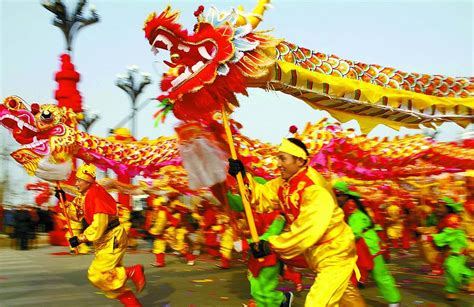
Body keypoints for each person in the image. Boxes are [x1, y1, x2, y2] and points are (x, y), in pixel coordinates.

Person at [229, 137, 362, 306]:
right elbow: (261, 197)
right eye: (278, 158)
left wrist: (269, 245)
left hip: (335, 251)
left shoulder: (314, 188)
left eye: (282, 158)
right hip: (315, 252)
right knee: (344, 295)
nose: (278, 163)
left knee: (317, 303)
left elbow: (307, 230)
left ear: (299, 161)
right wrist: (243, 177)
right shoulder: (285, 183)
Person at [55, 163, 146, 306]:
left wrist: (80, 239)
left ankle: (131, 272)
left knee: (98, 274)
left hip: (111, 237)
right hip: (104, 239)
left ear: (88, 181)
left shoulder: (97, 195)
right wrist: (64, 202)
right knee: (111, 280)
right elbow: (76, 214)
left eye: (79, 180)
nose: (76, 183)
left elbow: (99, 224)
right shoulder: (84, 195)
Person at [334, 181, 401, 306]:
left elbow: (355, 233)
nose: (336, 198)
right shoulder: (346, 209)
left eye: (338, 195)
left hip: (369, 246)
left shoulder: (352, 209)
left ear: (346, 196)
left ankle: (394, 301)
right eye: (335, 195)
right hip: (358, 246)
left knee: (380, 275)